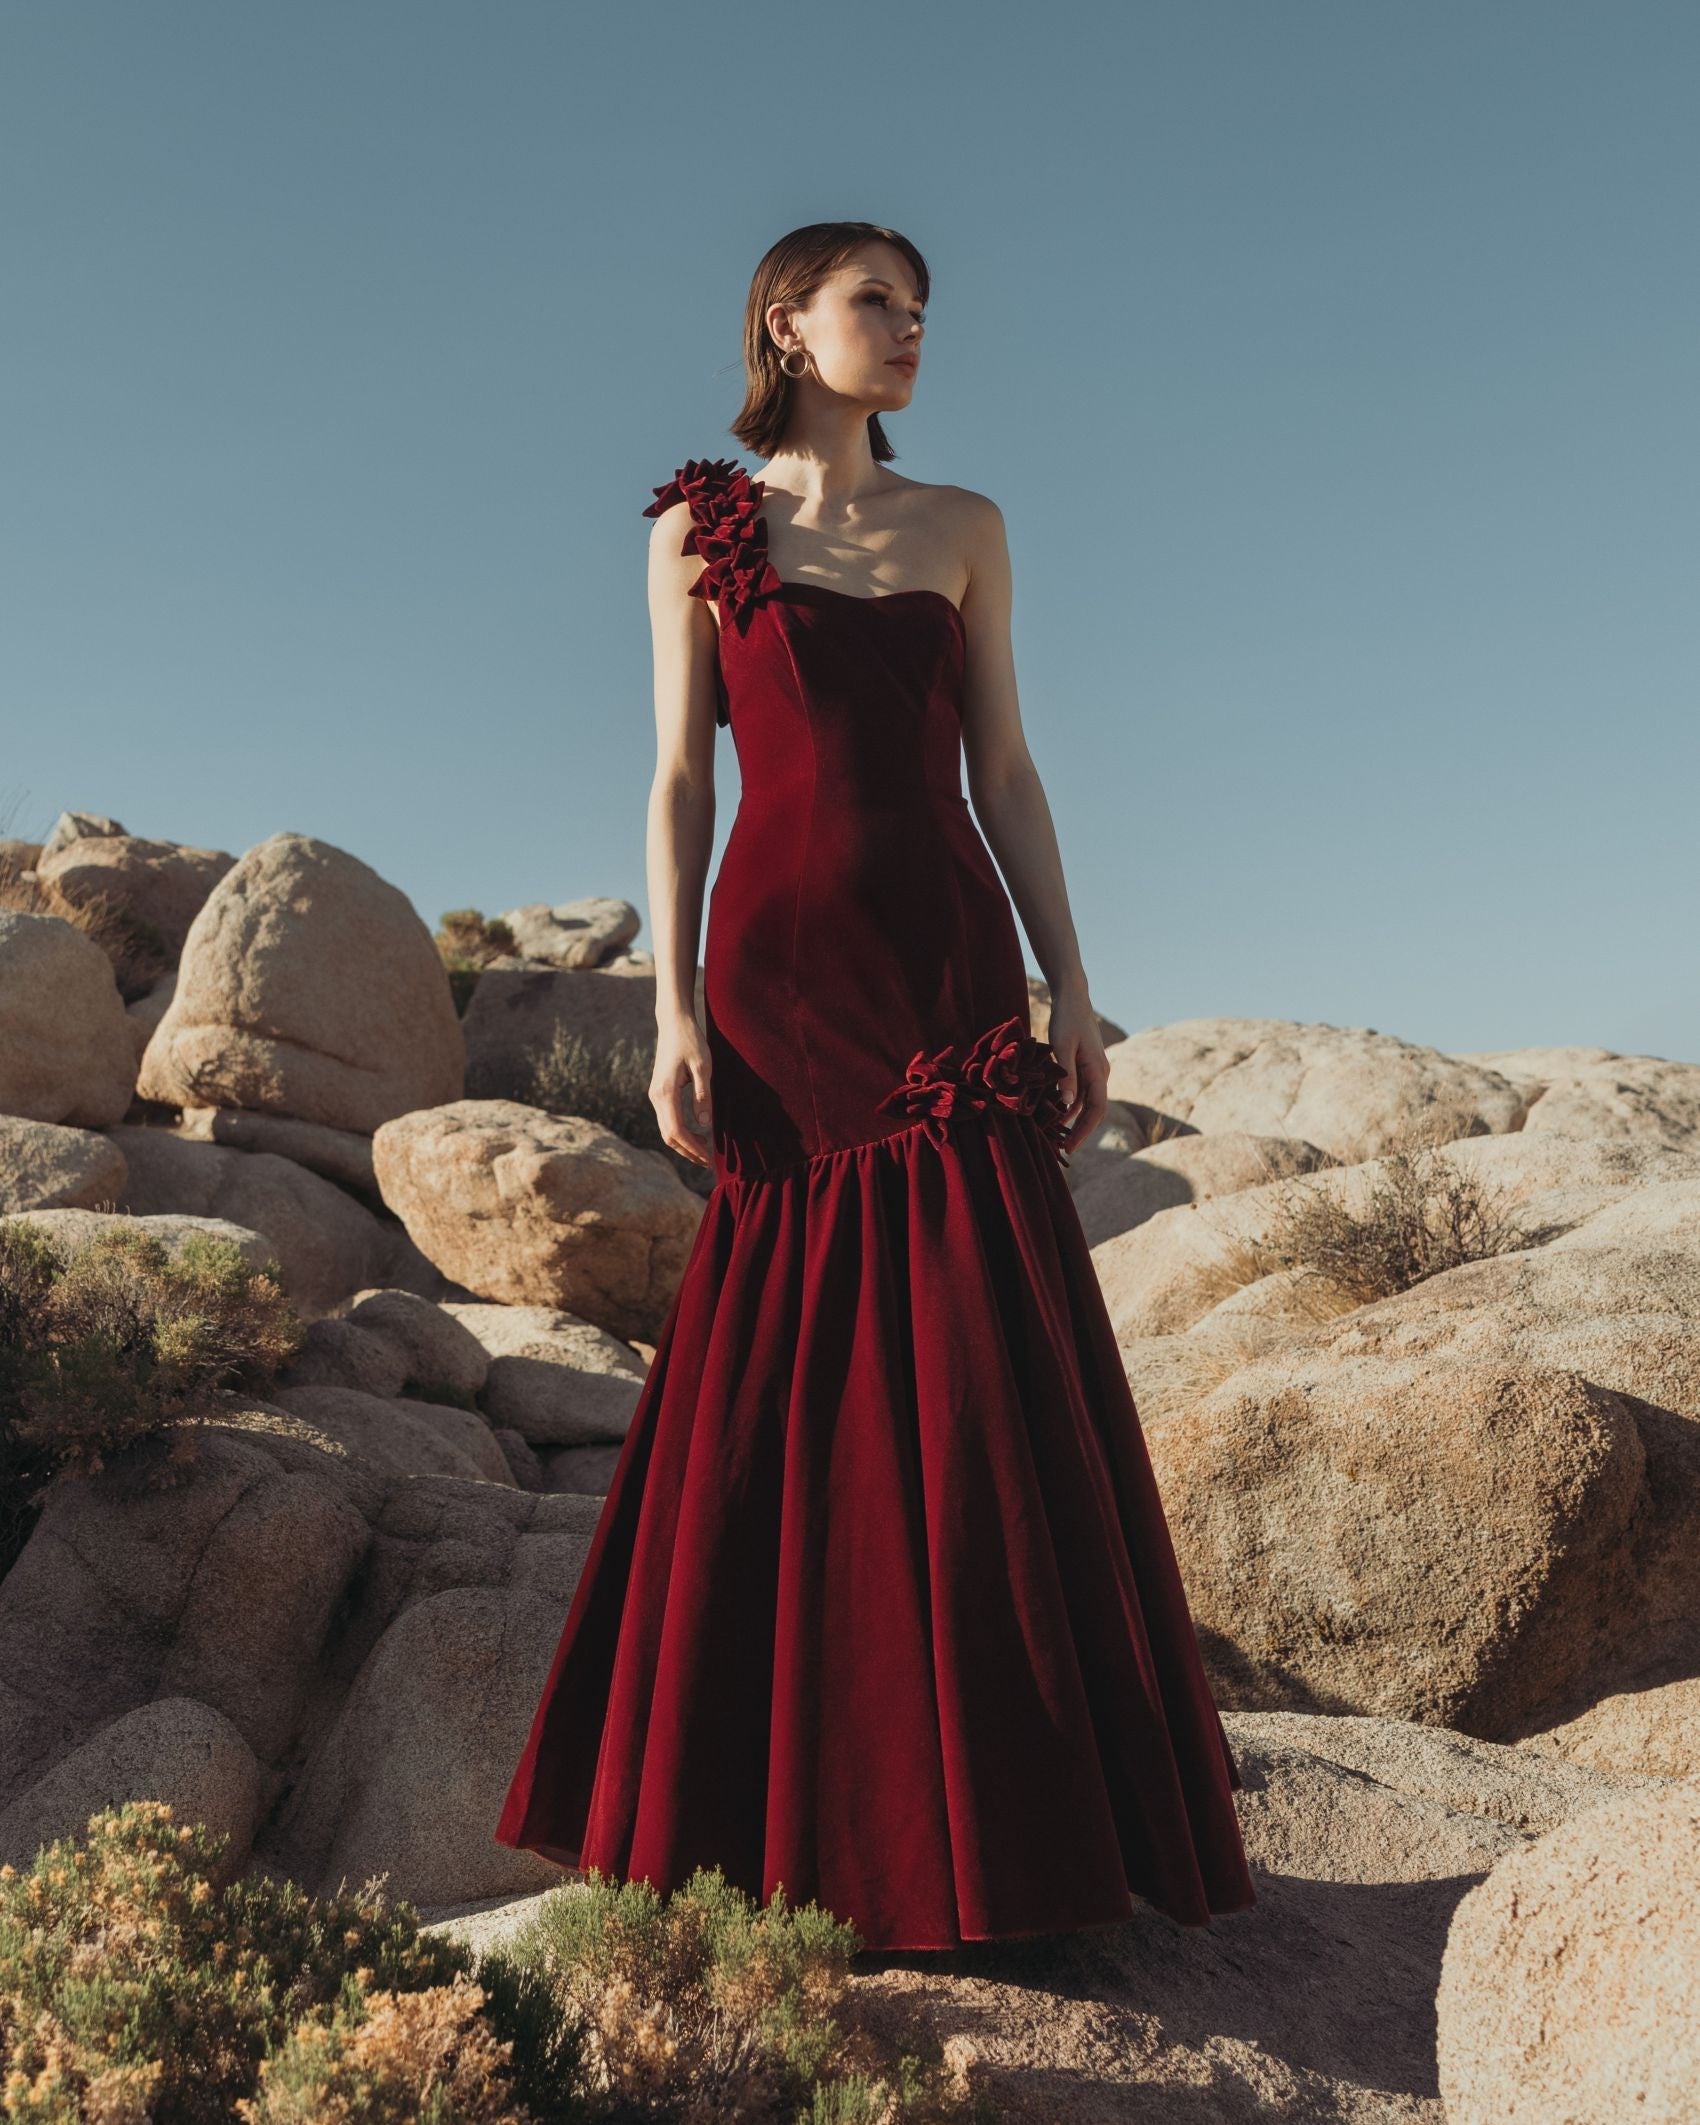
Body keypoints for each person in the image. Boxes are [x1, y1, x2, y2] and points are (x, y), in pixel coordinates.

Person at [492, 220, 1256, 1952]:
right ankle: (779, 1825)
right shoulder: (703, 524)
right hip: (775, 986)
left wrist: (1073, 980)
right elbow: (683, 779)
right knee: (791, 1376)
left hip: (947, 971)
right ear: (788, 321)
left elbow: (1007, 766)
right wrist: (670, 1004)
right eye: (876, 305)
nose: (910, 333)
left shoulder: (964, 528)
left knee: (982, 1372)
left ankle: (1022, 1842)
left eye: (922, 312)